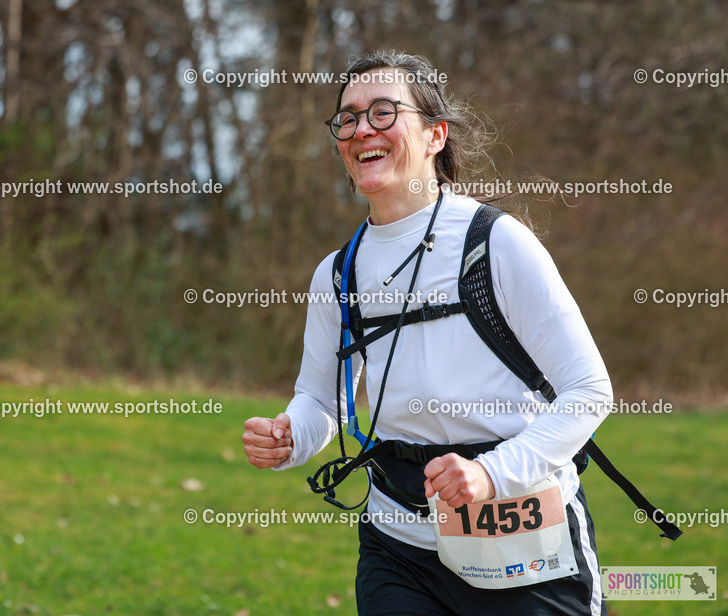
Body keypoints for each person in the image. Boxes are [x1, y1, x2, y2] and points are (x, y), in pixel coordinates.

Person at [241, 50, 611, 615]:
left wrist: (489, 474)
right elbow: (322, 400)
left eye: (384, 112)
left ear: (436, 134)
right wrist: (292, 435)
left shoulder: (496, 243)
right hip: (399, 552)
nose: (361, 128)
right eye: (348, 117)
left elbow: (589, 391)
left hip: (520, 539)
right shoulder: (338, 273)